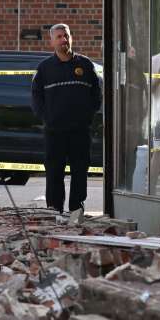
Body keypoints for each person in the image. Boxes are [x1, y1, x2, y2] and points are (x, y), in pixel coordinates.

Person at [31, 23, 101, 214]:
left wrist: (88, 116)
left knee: (80, 172)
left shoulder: (85, 65)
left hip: (80, 130)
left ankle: (76, 209)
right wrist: (48, 118)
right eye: (60, 37)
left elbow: (96, 94)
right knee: (54, 172)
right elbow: (36, 98)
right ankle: (54, 209)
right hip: (55, 131)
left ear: (71, 38)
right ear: (52, 41)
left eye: (67, 36)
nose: (64, 40)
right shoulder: (45, 69)